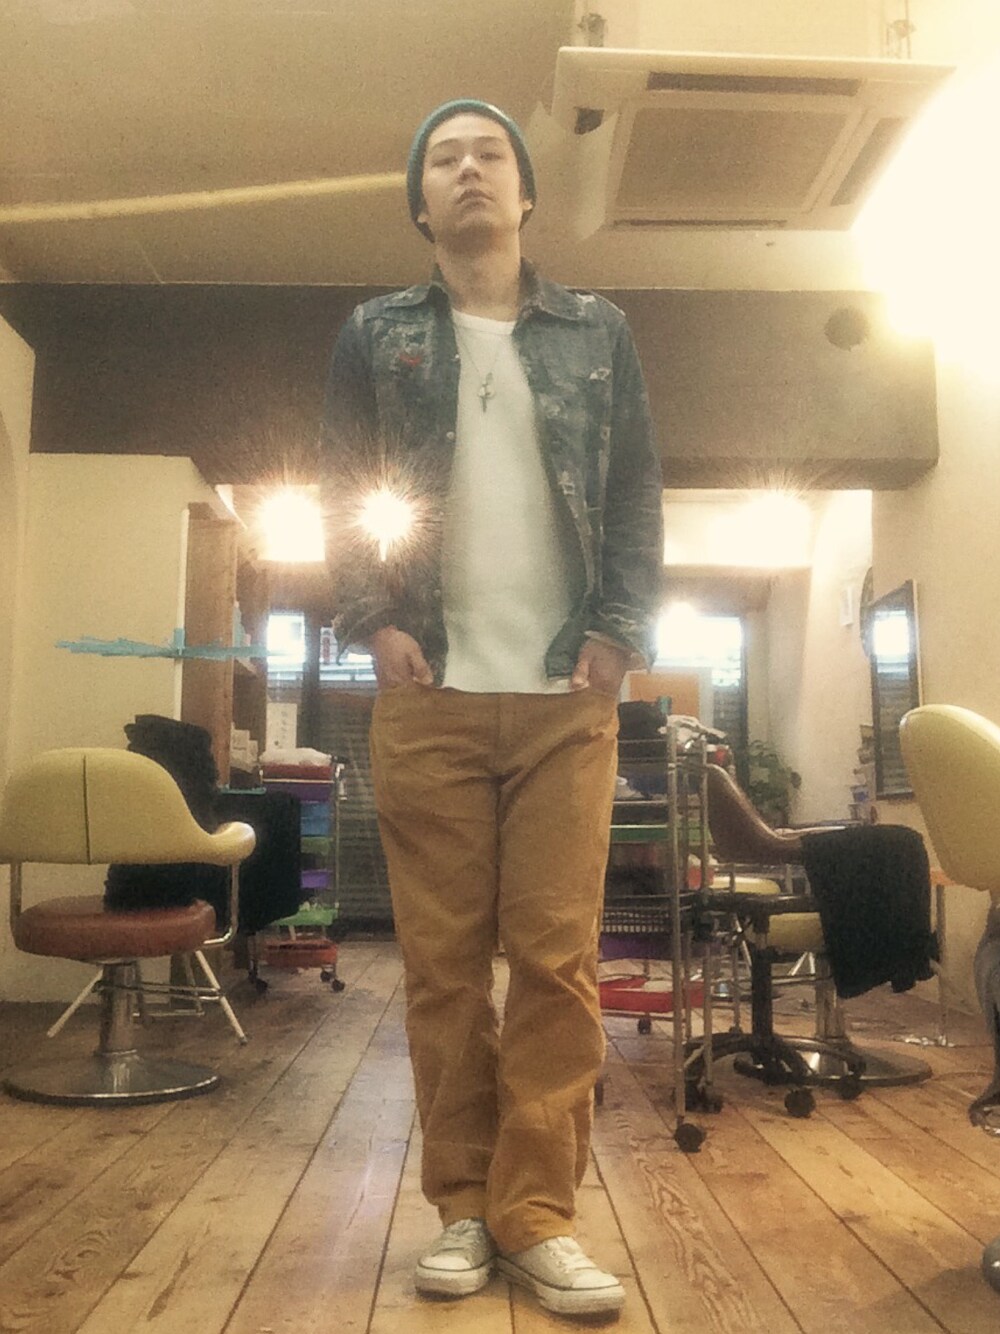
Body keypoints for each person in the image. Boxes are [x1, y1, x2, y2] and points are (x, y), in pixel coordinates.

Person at [320, 98, 663, 1320]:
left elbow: (634, 493)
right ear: (421, 202)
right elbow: (345, 486)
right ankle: (463, 1207)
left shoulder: (598, 331)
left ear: (524, 193)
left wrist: (617, 633)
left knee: (559, 965)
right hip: (431, 692)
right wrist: (375, 619)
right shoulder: (375, 333)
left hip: (568, 695)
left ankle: (538, 1215)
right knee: (443, 970)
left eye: (490, 155)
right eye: (443, 159)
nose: (468, 170)